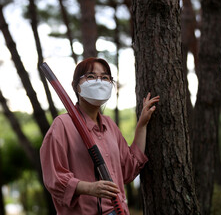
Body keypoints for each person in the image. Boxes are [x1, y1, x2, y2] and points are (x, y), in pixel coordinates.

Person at [40, 57, 159, 215]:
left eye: (105, 77)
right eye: (90, 77)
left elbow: (128, 168)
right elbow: (54, 177)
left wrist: (142, 124)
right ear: (76, 86)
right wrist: (89, 187)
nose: (99, 81)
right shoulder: (62, 125)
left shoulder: (109, 125)